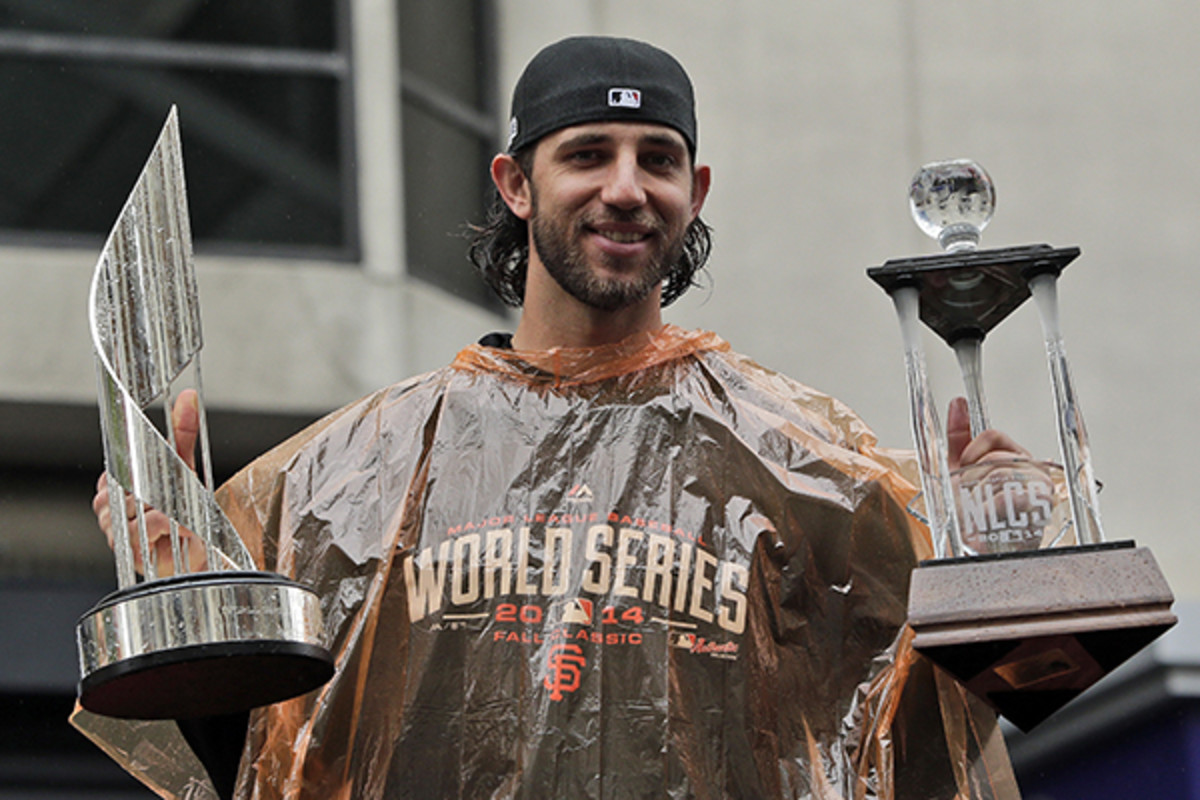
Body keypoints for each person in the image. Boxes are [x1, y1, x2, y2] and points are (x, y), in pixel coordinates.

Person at [82, 35, 1027, 800]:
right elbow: (265, 761)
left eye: (658, 158)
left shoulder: (801, 466)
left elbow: (926, 744)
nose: (625, 187)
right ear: (515, 184)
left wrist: (990, 556)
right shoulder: (349, 478)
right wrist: (192, 609)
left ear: (694, 192)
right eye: (586, 154)